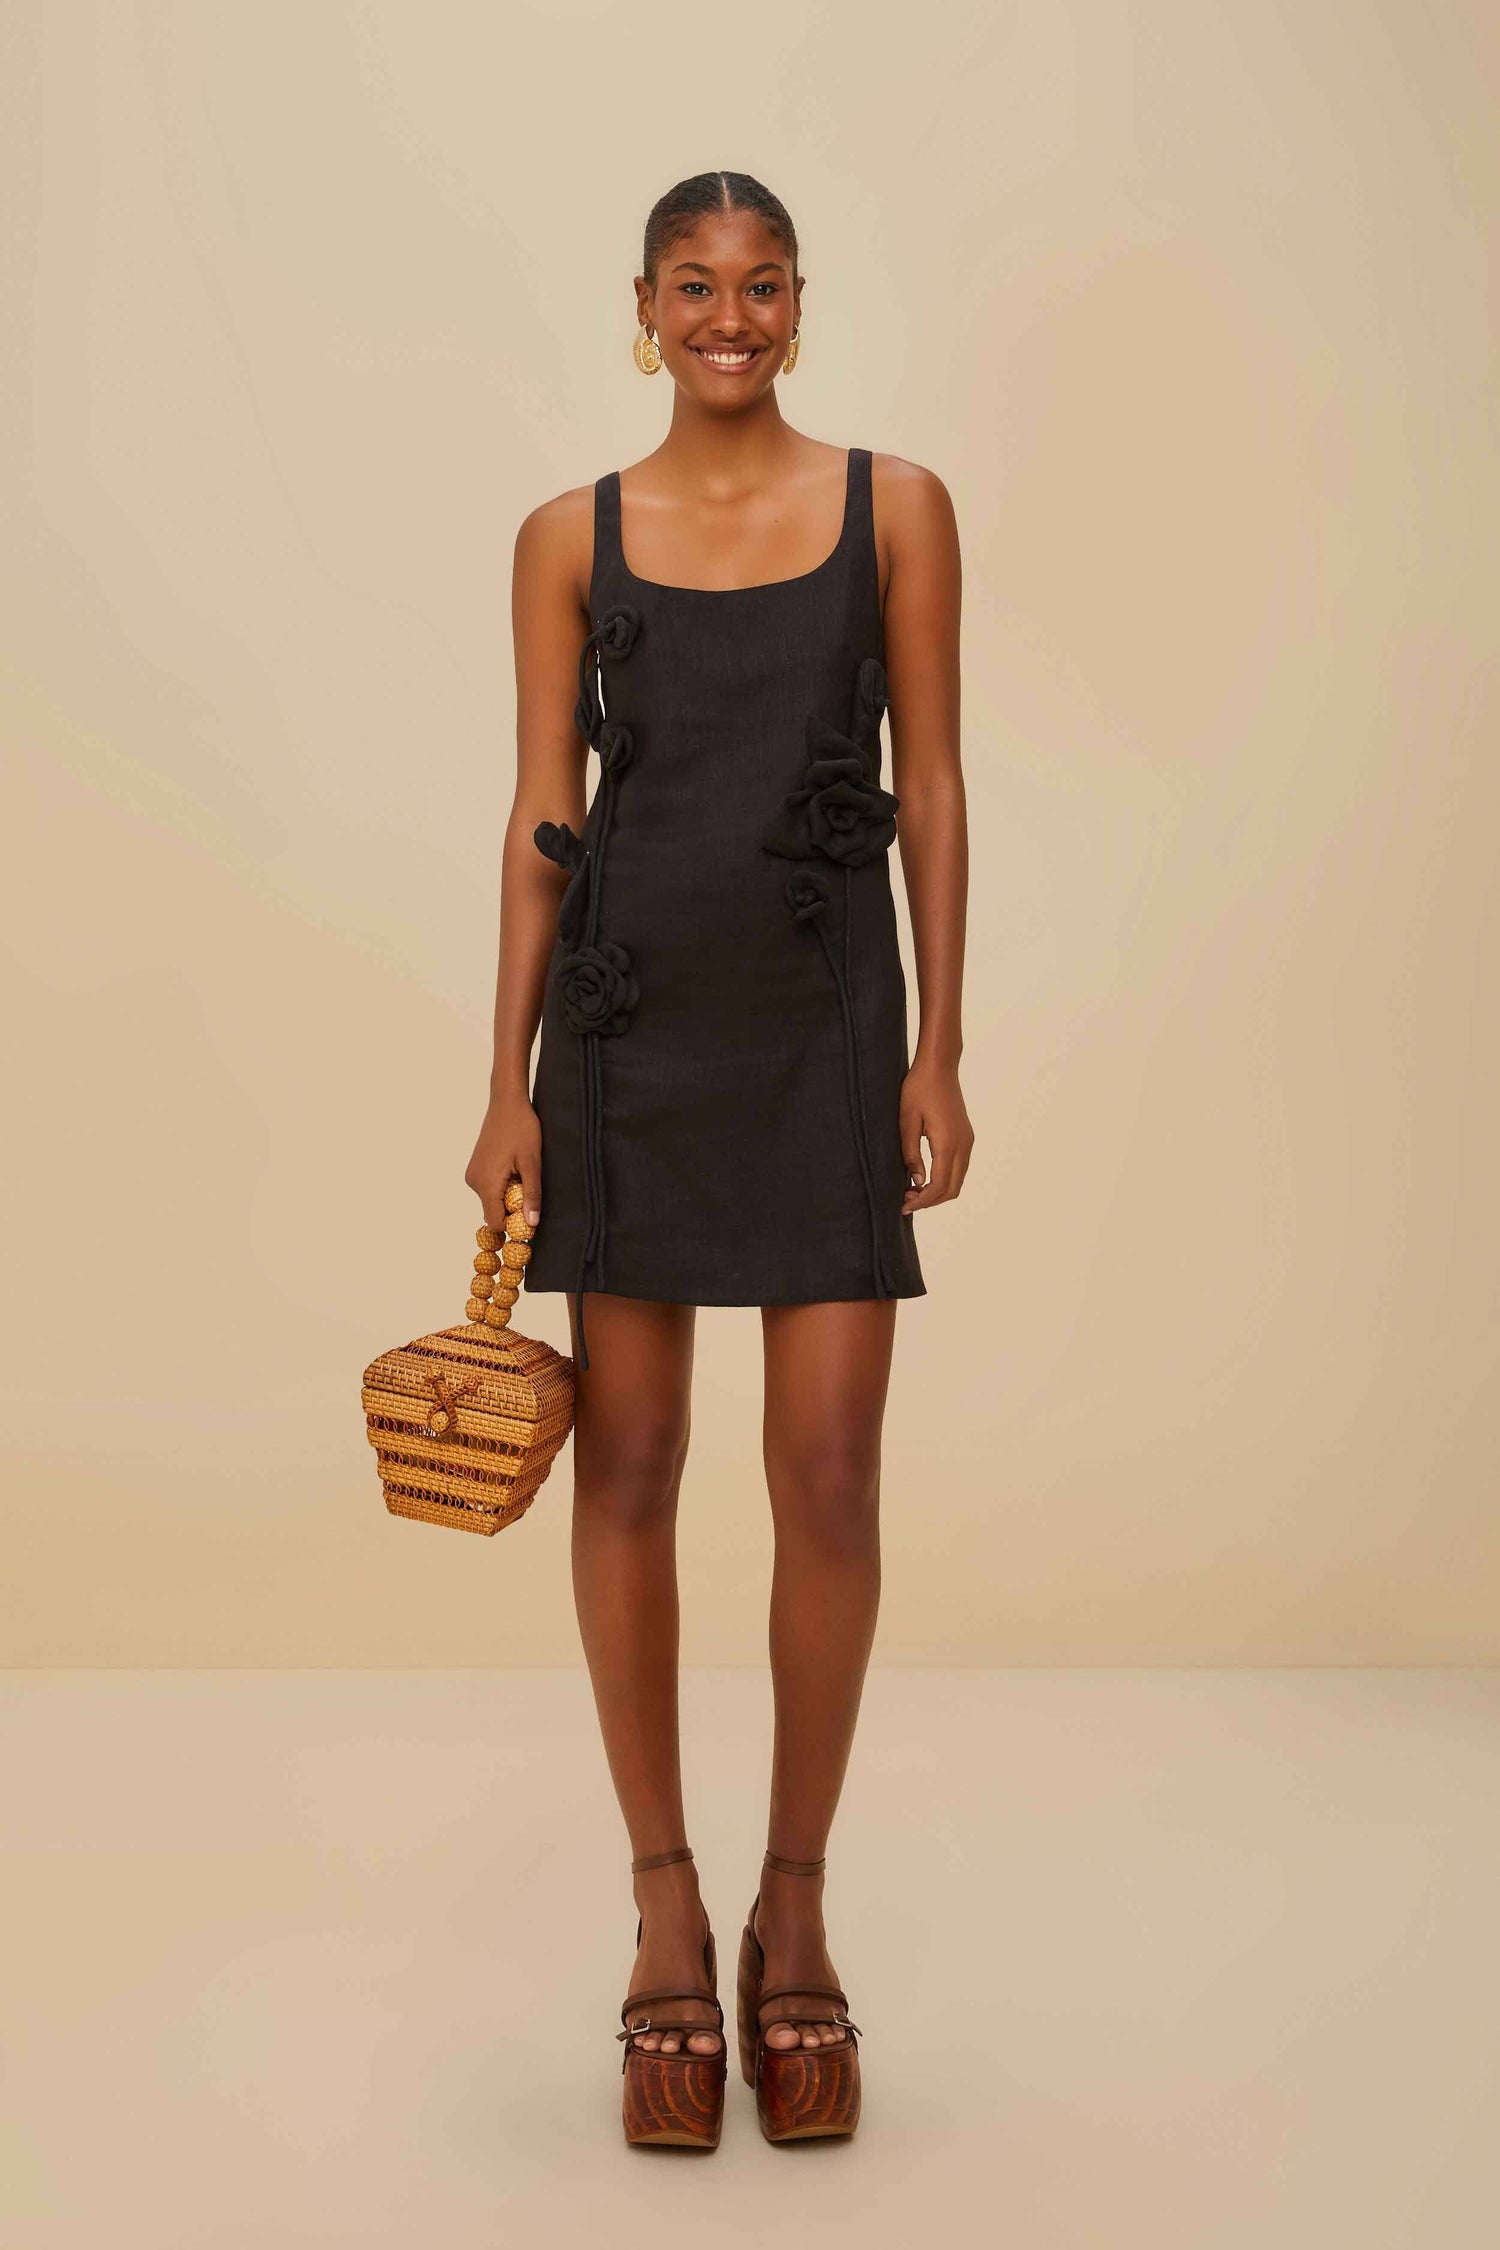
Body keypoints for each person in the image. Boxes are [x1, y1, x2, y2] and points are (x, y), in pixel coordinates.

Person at [465, 170, 972, 2148]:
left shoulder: (898, 508)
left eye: (761, 286)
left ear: (800, 305)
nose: (730, 318)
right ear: (646, 306)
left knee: (829, 1471)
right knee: (636, 1463)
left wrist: (941, 1046)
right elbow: (542, 813)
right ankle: (666, 1912)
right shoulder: (566, 537)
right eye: (696, 285)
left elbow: (933, 781)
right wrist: (504, 1080)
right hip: (626, 1033)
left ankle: (797, 1910)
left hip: (825, 1027)